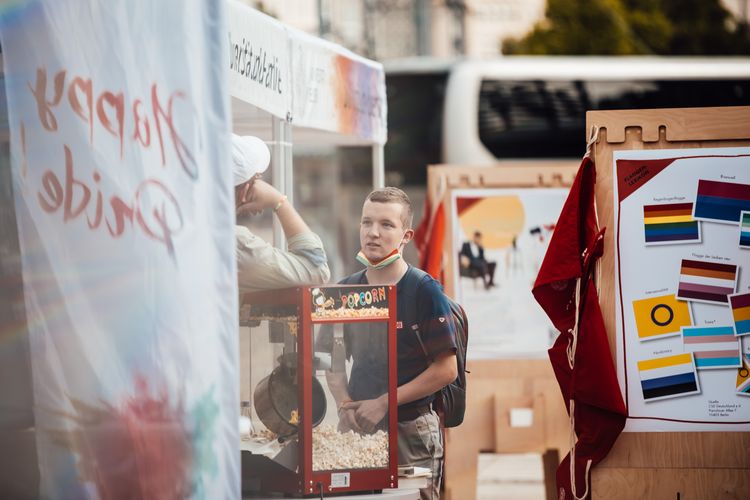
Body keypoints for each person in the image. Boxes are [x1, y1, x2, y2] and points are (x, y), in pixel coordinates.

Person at [325, 187, 458, 500]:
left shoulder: (424, 290)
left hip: (411, 432)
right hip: (356, 430)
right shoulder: (345, 290)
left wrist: (384, 402)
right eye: (366, 222)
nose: (373, 233)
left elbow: (447, 369)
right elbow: (331, 360)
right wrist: (344, 404)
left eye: (387, 225)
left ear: (406, 236)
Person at [232, 134, 330, 293]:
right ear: (244, 190)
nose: (260, 183)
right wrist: (279, 201)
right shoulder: (235, 242)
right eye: (256, 178)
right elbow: (315, 267)